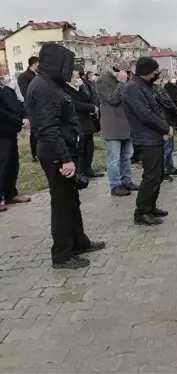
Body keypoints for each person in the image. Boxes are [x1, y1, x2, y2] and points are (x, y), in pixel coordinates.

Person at [26, 43, 105, 269]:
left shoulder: (52, 84)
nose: (71, 71)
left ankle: (79, 242)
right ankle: (61, 254)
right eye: (67, 65)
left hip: (63, 152)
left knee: (71, 201)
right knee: (62, 205)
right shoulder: (44, 88)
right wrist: (66, 159)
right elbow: (48, 129)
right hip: (55, 155)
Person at [122, 57, 172, 226]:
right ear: (148, 72)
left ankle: (151, 206)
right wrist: (165, 128)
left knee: (157, 175)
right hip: (145, 138)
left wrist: (162, 130)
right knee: (150, 176)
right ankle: (141, 212)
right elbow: (145, 114)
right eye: (156, 70)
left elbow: (155, 110)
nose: (158, 73)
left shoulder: (144, 85)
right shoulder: (133, 88)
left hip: (154, 136)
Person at [97, 59, 138, 197]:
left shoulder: (127, 81)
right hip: (112, 125)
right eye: (123, 72)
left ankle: (126, 180)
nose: (126, 74)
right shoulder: (103, 81)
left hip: (127, 124)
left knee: (127, 156)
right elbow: (113, 100)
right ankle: (115, 185)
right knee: (114, 158)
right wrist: (121, 83)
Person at [0, 66, 31, 213]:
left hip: (11, 132)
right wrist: (19, 121)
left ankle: (11, 194)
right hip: (2, 133)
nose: (4, 71)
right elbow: (2, 113)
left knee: (13, 163)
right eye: (1, 69)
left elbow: (20, 103)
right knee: (2, 164)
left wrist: (25, 117)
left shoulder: (6, 89)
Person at [65, 66, 103, 179]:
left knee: (89, 148)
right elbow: (75, 105)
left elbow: (88, 98)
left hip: (87, 123)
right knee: (80, 149)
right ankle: (80, 172)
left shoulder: (80, 89)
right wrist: (91, 108)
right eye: (76, 77)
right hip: (78, 123)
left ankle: (88, 169)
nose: (79, 79)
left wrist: (81, 88)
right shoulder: (66, 90)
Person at [153, 80, 177, 181]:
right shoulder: (158, 89)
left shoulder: (147, 89)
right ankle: (163, 172)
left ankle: (169, 167)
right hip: (165, 120)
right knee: (166, 148)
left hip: (159, 120)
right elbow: (169, 103)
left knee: (167, 147)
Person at [18, 56, 39, 162]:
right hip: (32, 107)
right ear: (34, 64)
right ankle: (35, 155)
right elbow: (25, 93)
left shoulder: (38, 75)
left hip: (41, 106)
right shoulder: (24, 76)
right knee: (35, 131)